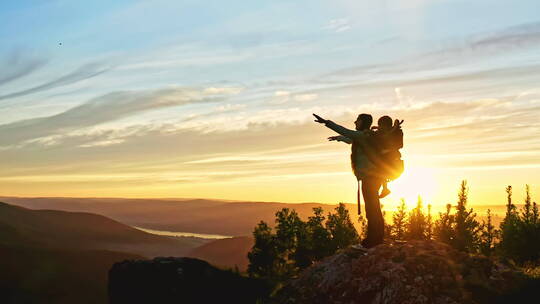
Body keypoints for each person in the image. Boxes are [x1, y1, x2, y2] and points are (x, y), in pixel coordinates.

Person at [313, 113, 385, 248]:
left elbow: (346, 132)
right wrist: (339, 138)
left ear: (363, 122)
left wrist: (326, 122)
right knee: (373, 207)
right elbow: (350, 139)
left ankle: (373, 240)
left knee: (371, 209)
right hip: (374, 177)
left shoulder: (363, 135)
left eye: (357, 120)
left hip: (371, 178)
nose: (355, 122)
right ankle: (377, 237)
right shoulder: (367, 136)